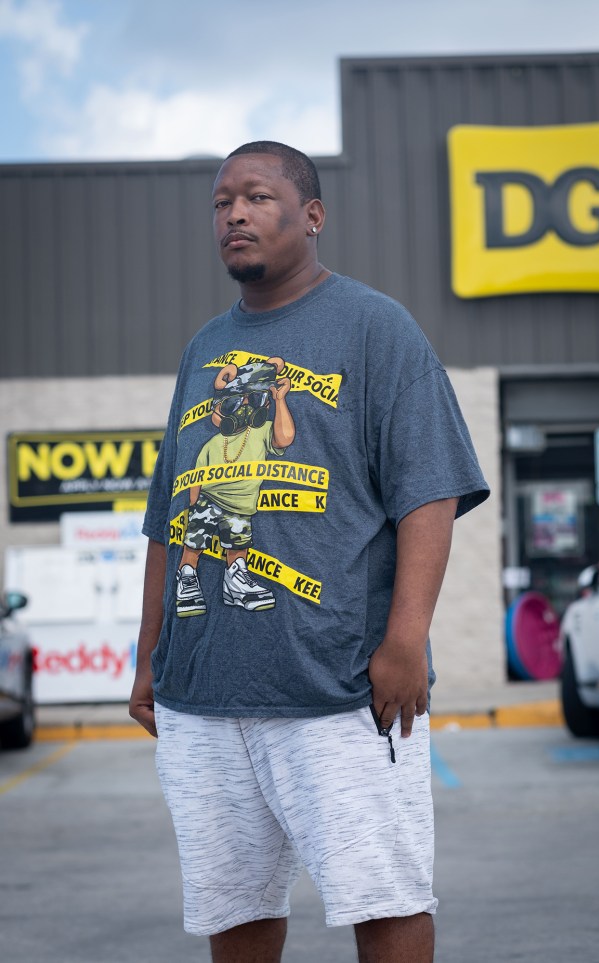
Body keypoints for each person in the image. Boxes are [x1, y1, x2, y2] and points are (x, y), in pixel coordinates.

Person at [129, 140, 489, 963]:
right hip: (203, 689)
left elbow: (429, 492)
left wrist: (404, 642)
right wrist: (149, 653)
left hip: (336, 682)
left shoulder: (374, 327)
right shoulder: (204, 350)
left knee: (386, 894)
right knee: (234, 907)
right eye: (222, 203)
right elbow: (169, 515)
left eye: (255, 197)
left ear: (313, 215)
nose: (234, 215)